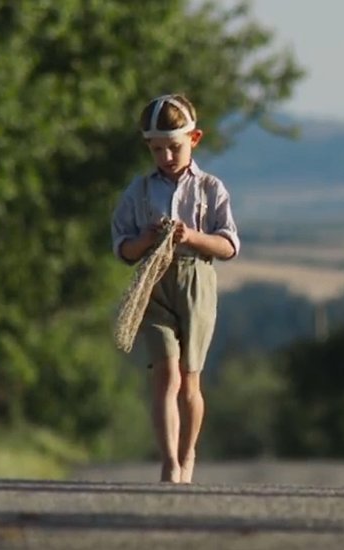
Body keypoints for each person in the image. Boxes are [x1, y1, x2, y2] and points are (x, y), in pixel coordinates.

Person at [110, 93, 239, 483]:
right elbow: (122, 247)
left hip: (196, 281)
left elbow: (229, 244)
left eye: (174, 147)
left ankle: (187, 455)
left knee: (190, 377)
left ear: (194, 139)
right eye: (157, 149)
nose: (166, 157)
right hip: (155, 281)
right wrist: (146, 239)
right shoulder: (139, 192)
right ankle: (168, 462)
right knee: (166, 374)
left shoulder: (210, 189)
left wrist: (195, 237)